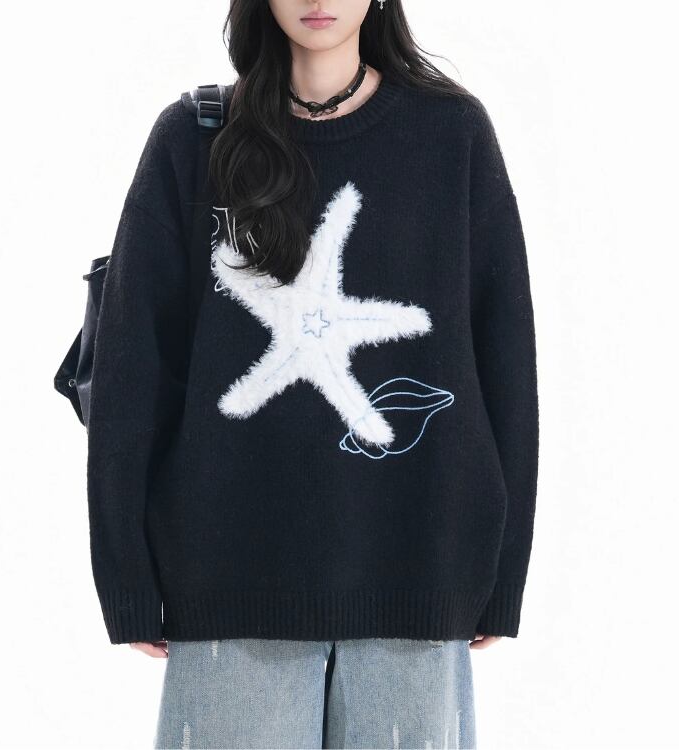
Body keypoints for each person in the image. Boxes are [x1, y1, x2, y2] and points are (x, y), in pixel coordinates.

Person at [84, 0, 539, 747]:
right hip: (228, 580)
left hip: (416, 570)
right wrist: (126, 576)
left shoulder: (451, 134)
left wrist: (501, 572)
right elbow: (132, 370)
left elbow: (507, 361)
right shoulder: (194, 138)